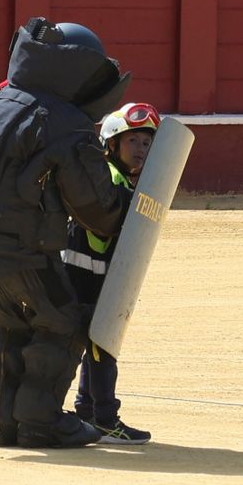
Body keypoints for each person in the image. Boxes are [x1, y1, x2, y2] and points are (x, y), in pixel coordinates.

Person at [0, 19, 131, 449]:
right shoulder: (66, 121)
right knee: (60, 321)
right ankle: (41, 423)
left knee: (11, 326)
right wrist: (125, 211)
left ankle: (2, 425)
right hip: (19, 245)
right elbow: (95, 206)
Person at [63, 101, 156, 445]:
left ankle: (87, 410)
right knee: (104, 350)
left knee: (97, 348)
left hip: (95, 280)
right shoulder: (110, 180)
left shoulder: (124, 182)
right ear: (112, 143)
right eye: (133, 141)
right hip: (86, 281)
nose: (141, 149)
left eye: (147, 143)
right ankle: (105, 418)